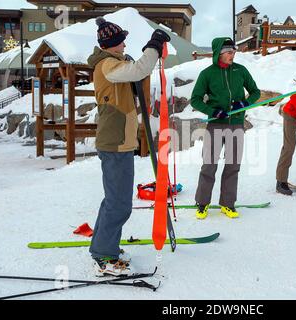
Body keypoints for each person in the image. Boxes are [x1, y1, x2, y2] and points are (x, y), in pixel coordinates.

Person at [87, 17, 170, 276]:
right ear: (110, 45)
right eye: (120, 41)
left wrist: (148, 50)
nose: (124, 44)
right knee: (120, 203)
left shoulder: (115, 61)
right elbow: (139, 70)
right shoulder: (106, 65)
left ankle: (103, 247)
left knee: (113, 200)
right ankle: (104, 257)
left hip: (118, 142)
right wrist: (154, 45)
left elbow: (135, 70)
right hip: (115, 143)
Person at [191, 37, 260, 219]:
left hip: (236, 124)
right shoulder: (207, 73)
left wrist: (244, 103)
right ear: (219, 54)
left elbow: (256, 92)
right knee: (209, 165)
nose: (233, 55)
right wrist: (212, 110)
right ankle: (202, 203)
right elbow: (195, 99)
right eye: (229, 52)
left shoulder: (240, 70)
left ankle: (228, 204)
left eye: (234, 52)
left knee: (232, 165)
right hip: (215, 124)